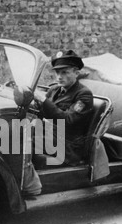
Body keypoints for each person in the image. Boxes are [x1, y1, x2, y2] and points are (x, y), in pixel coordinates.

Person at [22, 50, 95, 197]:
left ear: (76, 72)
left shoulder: (84, 95)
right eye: (57, 73)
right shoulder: (54, 90)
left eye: (65, 72)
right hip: (50, 135)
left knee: (23, 140)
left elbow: (67, 120)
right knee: (18, 132)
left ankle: (30, 185)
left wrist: (43, 100)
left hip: (68, 145)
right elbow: (41, 113)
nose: (59, 77)